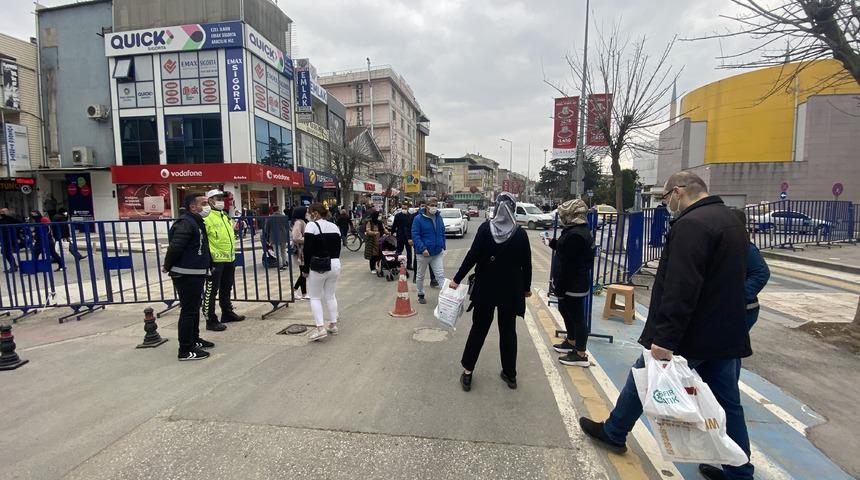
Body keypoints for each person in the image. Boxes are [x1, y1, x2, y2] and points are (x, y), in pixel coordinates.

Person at [579, 172, 755, 480]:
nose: (666, 203)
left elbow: (682, 285)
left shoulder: (691, 225)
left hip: (692, 333)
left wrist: (665, 337)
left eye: (665, 197)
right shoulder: (730, 222)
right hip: (726, 332)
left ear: (679, 191)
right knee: (729, 403)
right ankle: (740, 471)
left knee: (643, 377)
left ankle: (614, 431)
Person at [449, 193, 532, 391]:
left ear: (496, 208)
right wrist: (526, 288)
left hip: (485, 289)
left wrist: (457, 279)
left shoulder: (486, 229)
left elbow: (472, 256)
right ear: (513, 209)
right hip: (510, 291)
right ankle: (510, 375)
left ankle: (468, 372)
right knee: (508, 331)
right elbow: (527, 264)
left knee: (479, 329)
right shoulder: (520, 233)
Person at [163, 193, 215, 361]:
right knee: (188, 311)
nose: (208, 206)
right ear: (193, 207)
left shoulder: (197, 222)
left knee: (194, 309)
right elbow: (176, 247)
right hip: (186, 274)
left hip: (196, 272)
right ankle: (185, 350)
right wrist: (166, 266)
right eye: (204, 203)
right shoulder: (186, 223)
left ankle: (194, 340)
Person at [548, 199, 594, 367]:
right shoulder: (576, 230)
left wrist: (560, 288)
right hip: (572, 283)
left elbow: (570, 265)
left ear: (572, 215)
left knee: (577, 317)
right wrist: (554, 243)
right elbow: (566, 251)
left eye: (564, 215)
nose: (562, 218)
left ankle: (580, 354)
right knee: (565, 309)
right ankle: (572, 341)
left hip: (572, 284)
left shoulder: (576, 235)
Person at [201, 189, 245, 332]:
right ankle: (210, 319)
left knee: (227, 287)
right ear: (210, 200)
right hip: (215, 260)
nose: (220, 200)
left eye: (221, 198)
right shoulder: (206, 217)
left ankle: (227, 313)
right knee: (211, 291)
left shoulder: (224, 215)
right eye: (217, 198)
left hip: (229, 257)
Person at [303, 202, 343, 341]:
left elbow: (307, 250)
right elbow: (338, 247)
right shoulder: (334, 227)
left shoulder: (311, 226)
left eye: (309, 211)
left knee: (314, 297)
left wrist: (305, 268)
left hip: (319, 265)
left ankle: (320, 328)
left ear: (315, 213)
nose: (308, 214)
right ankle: (333, 324)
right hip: (335, 263)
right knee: (330, 295)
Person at [731, 209, 770, 332]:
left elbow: (761, 273)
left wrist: (739, 295)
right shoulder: (727, 244)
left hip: (743, 309)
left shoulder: (747, 248)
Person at [412, 198, 447, 304]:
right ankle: (420, 294)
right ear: (426, 206)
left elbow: (442, 231)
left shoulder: (439, 217)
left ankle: (446, 296)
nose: (434, 207)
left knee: (440, 274)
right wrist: (423, 248)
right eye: (432, 205)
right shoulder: (418, 219)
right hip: (424, 253)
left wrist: (442, 244)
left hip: (437, 252)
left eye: (435, 205)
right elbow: (415, 235)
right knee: (420, 275)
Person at [410, 202, 437, 284]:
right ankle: (415, 276)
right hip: (418, 242)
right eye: (421, 206)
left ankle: (433, 279)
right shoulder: (415, 216)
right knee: (417, 261)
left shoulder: (432, 216)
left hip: (430, 242)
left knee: (432, 260)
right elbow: (409, 227)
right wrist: (410, 238)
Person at [291, 206, 309, 300]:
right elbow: (296, 237)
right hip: (301, 250)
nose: (307, 214)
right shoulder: (299, 222)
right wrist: (308, 239)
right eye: (306, 212)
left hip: (302, 250)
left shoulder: (301, 222)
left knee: (303, 272)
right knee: (304, 272)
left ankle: (301, 292)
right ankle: (299, 291)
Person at [391, 203, 414, 272]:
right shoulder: (398, 216)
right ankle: (398, 263)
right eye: (403, 208)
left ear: (408, 209)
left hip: (408, 237)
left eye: (405, 208)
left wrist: (412, 236)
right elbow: (394, 225)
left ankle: (409, 265)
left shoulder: (410, 216)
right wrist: (392, 233)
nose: (404, 209)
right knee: (399, 251)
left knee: (409, 251)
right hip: (400, 236)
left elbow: (412, 227)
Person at [0, 207, 20, 272]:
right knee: (5, 252)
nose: (1, 213)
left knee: (6, 252)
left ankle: (14, 266)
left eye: (3, 212)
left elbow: (20, 223)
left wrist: (17, 235)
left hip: (8, 238)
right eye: (1, 212)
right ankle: (14, 266)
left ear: (7, 212)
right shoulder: (2, 219)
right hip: (3, 238)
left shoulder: (10, 219)